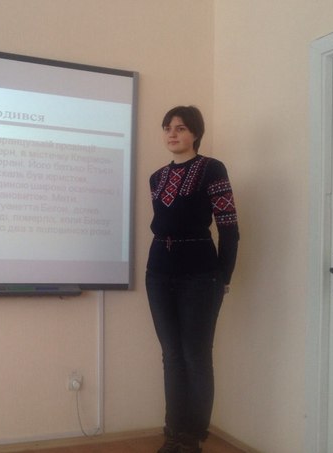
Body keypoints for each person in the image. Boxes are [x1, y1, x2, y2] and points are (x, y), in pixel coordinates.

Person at [146, 106, 239, 453]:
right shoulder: (156, 178)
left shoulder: (212, 169)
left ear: (195, 134)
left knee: (195, 356)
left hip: (200, 275)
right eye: (167, 128)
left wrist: (223, 275)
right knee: (171, 355)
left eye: (181, 128)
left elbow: (228, 226)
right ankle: (173, 433)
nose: (172, 133)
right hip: (158, 273)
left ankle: (192, 438)